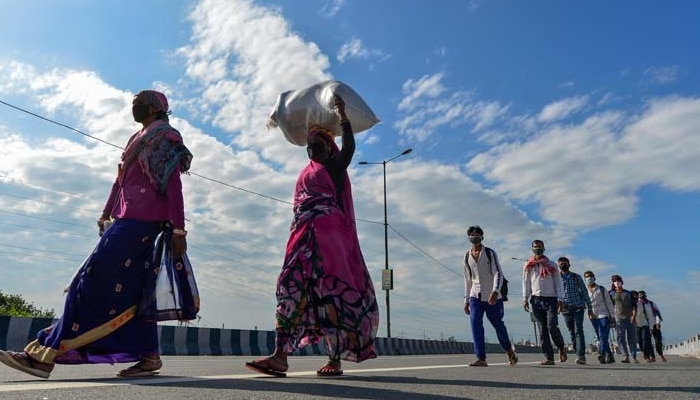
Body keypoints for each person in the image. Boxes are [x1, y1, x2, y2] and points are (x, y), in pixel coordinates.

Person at [0, 90, 193, 379]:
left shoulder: (164, 137)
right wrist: (106, 213)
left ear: (154, 109)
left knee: (88, 282)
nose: (134, 107)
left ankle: (44, 354)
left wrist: (179, 229)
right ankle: (149, 356)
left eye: (139, 103)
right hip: (125, 221)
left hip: (140, 226)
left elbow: (173, 186)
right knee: (133, 292)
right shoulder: (136, 139)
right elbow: (120, 181)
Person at [245, 95, 379, 377]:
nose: (312, 148)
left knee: (331, 294)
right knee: (289, 287)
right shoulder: (306, 172)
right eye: (309, 144)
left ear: (329, 147)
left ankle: (334, 359)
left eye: (318, 143)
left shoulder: (333, 166)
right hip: (301, 236)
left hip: (329, 239)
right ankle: (279, 356)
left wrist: (342, 114)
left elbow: (350, 147)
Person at [463, 226, 518, 367]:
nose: (475, 237)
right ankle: (481, 358)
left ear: (482, 237)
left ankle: (509, 350)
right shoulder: (467, 256)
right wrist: (466, 299)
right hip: (475, 295)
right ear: (469, 238)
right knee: (475, 324)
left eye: (477, 235)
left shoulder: (489, 253)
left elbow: (497, 273)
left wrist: (495, 291)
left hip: (492, 296)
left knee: (498, 324)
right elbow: (467, 279)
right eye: (472, 235)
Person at [522, 240, 567, 365]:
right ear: (532, 249)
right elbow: (526, 283)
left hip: (551, 299)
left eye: (540, 247)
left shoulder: (552, 265)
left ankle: (561, 347)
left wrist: (560, 299)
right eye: (535, 247)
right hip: (536, 300)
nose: (538, 249)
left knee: (552, 326)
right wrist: (525, 298)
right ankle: (549, 358)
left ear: (544, 248)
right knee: (542, 330)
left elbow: (558, 282)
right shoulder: (529, 265)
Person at [557, 257, 594, 365]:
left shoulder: (576, 277)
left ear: (569, 264)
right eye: (561, 264)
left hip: (578, 307)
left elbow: (584, 293)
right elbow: (555, 293)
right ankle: (576, 348)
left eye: (565, 263)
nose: (563, 265)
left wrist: (590, 308)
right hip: (565, 308)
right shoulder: (557, 278)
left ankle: (581, 355)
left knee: (578, 329)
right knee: (571, 331)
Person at [583, 270, 616, 364]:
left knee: (603, 335)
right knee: (601, 336)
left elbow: (609, 303)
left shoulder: (601, 289)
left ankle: (601, 353)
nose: (589, 278)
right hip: (592, 315)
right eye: (586, 277)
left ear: (594, 278)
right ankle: (610, 355)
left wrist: (612, 316)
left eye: (590, 276)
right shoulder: (584, 290)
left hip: (603, 314)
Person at [609, 275, 638, 363]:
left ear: (622, 282)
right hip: (618, 319)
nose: (617, 282)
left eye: (618, 280)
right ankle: (625, 355)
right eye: (615, 281)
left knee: (632, 338)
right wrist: (611, 319)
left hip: (630, 319)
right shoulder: (611, 294)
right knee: (620, 338)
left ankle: (633, 356)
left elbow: (634, 306)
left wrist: (633, 316)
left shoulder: (628, 293)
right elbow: (609, 306)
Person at [635, 290, 659, 362]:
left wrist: (651, 327)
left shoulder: (647, 305)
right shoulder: (634, 304)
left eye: (642, 297)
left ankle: (648, 356)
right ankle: (646, 354)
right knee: (640, 341)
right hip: (637, 325)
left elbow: (650, 317)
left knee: (646, 340)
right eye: (640, 297)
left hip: (646, 324)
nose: (641, 299)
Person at [647, 294, 667, 362]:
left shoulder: (651, 304)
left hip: (655, 325)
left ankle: (661, 355)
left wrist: (658, 323)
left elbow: (657, 314)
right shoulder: (638, 304)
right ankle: (652, 357)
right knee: (648, 342)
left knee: (658, 341)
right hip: (646, 326)